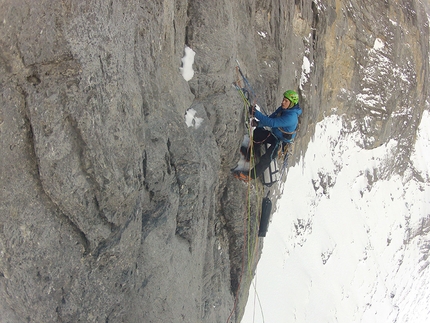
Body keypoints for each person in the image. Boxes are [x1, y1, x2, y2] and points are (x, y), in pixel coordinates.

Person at [234, 90, 302, 181]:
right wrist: (259, 124)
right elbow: (271, 118)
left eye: (286, 101)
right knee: (258, 133)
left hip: (280, 141)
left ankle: (251, 176)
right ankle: (252, 153)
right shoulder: (284, 109)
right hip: (275, 134)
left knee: (267, 158)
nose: (283, 102)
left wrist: (255, 113)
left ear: (291, 103)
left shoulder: (291, 117)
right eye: (283, 99)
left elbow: (272, 123)